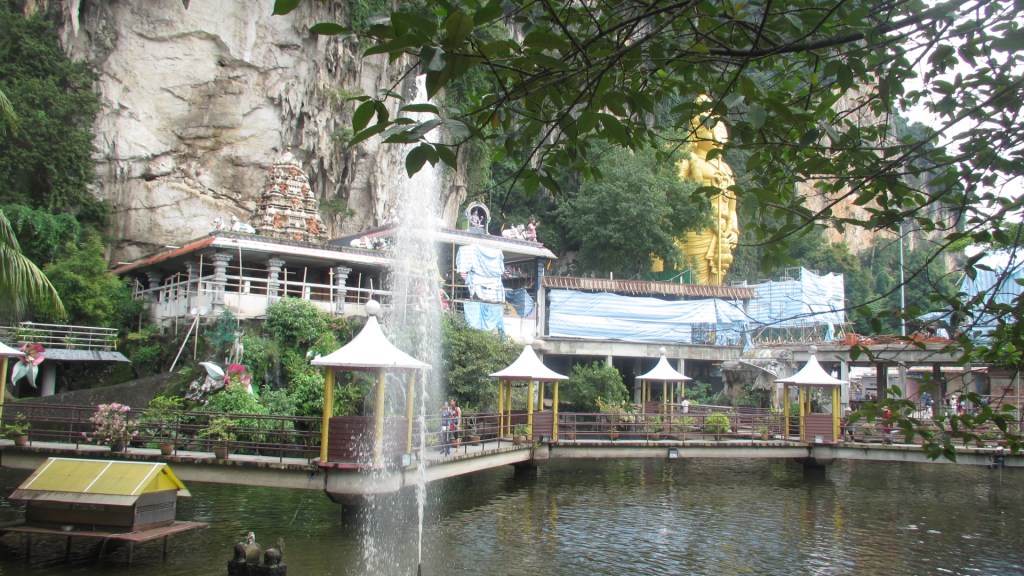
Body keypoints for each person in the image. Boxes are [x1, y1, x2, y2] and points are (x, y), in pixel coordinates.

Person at [677, 95, 739, 285]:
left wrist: (733, 230)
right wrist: (695, 182)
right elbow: (674, 194)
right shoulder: (687, 159)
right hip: (697, 230)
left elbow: (732, 207)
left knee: (716, 284)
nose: (715, 131)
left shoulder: (726, 168)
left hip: (722, 233)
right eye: (708, 126)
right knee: (695, 281)